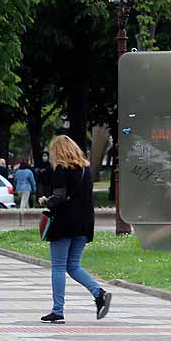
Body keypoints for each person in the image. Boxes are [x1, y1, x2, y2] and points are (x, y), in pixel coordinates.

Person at [38, 135, 112, 323]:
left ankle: (58, 310)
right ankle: (99, 293)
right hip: (84, 223)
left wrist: (46, 201)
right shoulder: (85, 169)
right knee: (73, 265)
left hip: (64, 223)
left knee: (58, 267)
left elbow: (59, 196)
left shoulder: (61, 169)